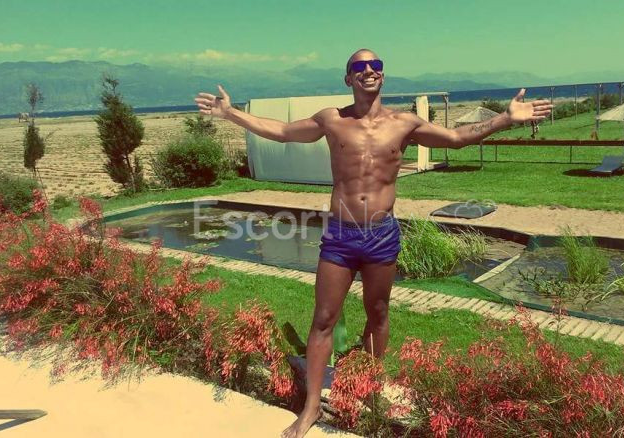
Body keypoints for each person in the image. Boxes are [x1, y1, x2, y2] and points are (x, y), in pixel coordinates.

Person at [195, 48, 552, 438]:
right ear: (348, 78)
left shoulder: (404, 123)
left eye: (375, 65)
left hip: (381, 235)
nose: (369, 70)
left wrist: (505, 118)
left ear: (383, 75)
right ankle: (311, 407)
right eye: (359, 66)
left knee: (378, 314)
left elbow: (455, 138)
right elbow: (281, 131)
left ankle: (369, 387)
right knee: (323, 319)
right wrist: (231, 113)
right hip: (341, 235)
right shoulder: (332, 119)